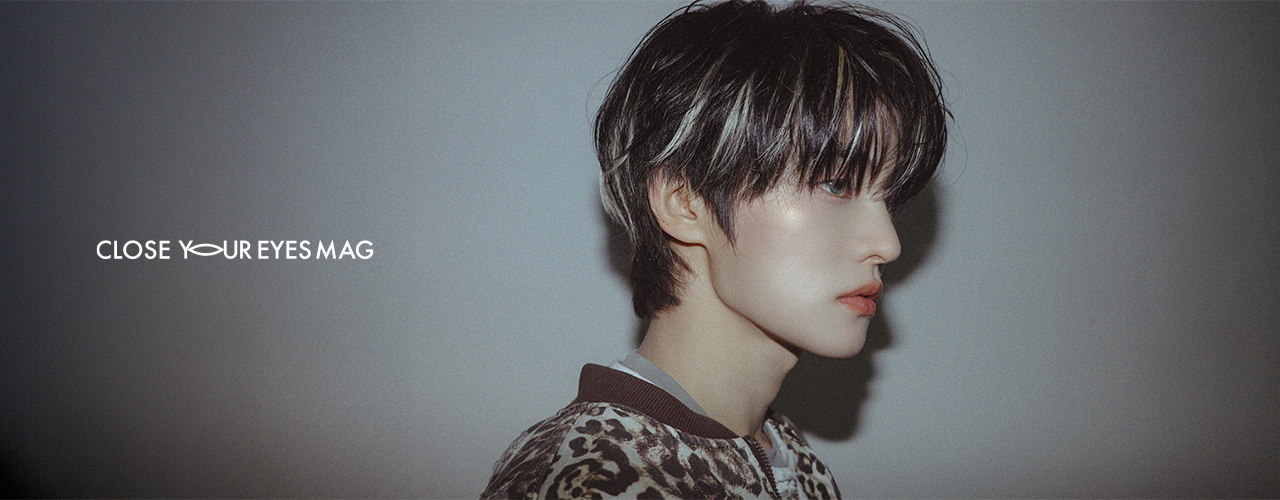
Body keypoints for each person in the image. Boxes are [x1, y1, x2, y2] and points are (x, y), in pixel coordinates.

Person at [482, 0, 948, 498]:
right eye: (837, 184)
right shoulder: (593, 475)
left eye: (889, 199)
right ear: (684, 201)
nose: (888, 244)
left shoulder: (790, 458)